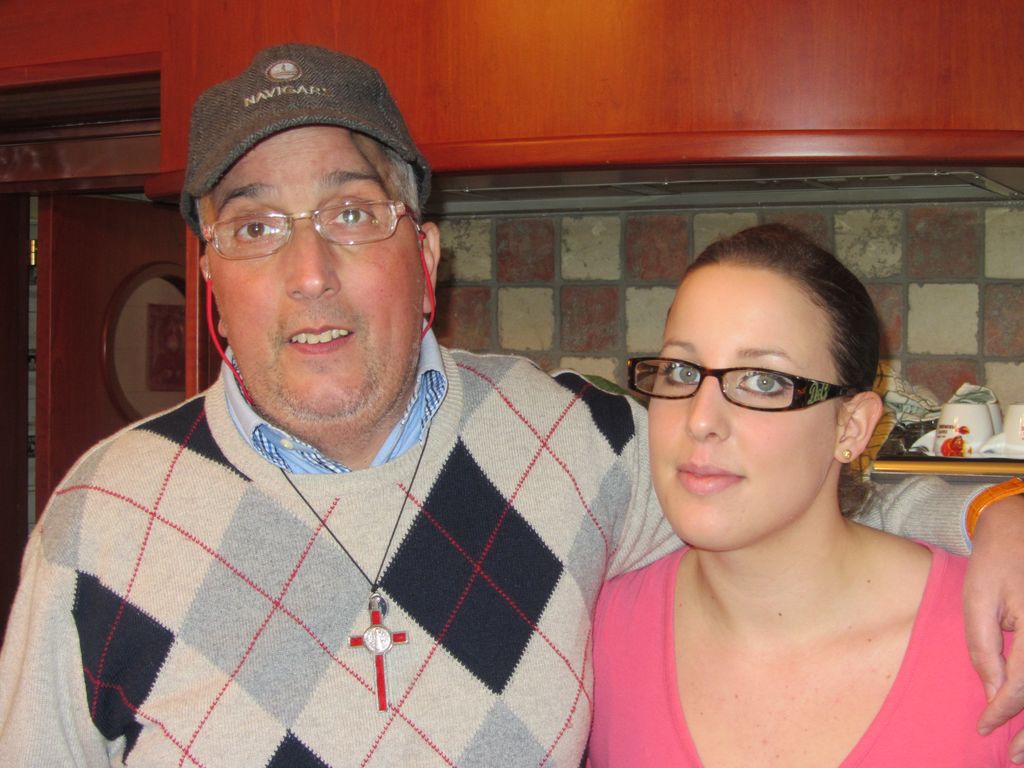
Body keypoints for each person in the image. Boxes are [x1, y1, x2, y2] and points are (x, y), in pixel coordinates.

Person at [0, 43, 1021, 767]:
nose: (309, 272)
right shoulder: (103, 522)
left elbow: (790, 490)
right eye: (255, 226)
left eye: (351, 212)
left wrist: (992, 514)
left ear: (425, 255)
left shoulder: (569, 443)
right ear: (211, 275)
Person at [589, 224, 1024, 766]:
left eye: (763, 381)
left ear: (851, 427)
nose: (700, 420)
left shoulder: (1001, 646)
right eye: (680, 371)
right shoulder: (591, 636)